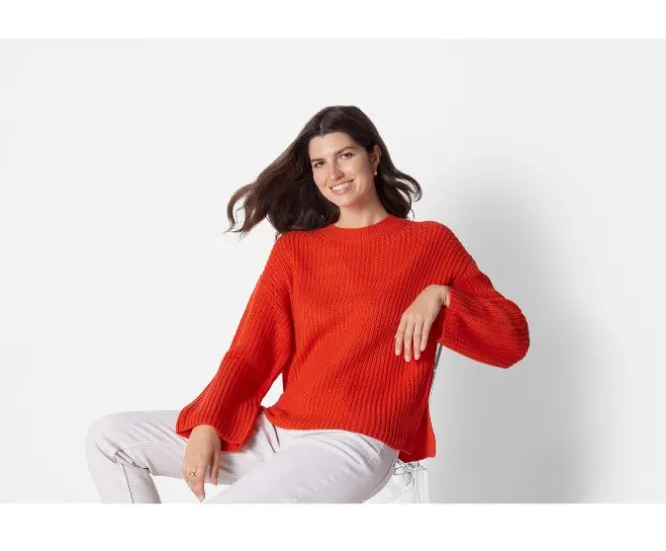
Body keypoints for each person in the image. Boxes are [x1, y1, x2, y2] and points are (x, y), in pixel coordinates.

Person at [85, 105, 531, 504]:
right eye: (320, 163)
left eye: (345, 155)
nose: (333, 173)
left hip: (354, 442)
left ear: (374, 156)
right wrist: (209, 422)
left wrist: (442, 297)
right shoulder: (296, 250)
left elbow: (510, 341)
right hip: (281, 432)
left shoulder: (429, 244)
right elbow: (250, 351)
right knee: (109, 439)